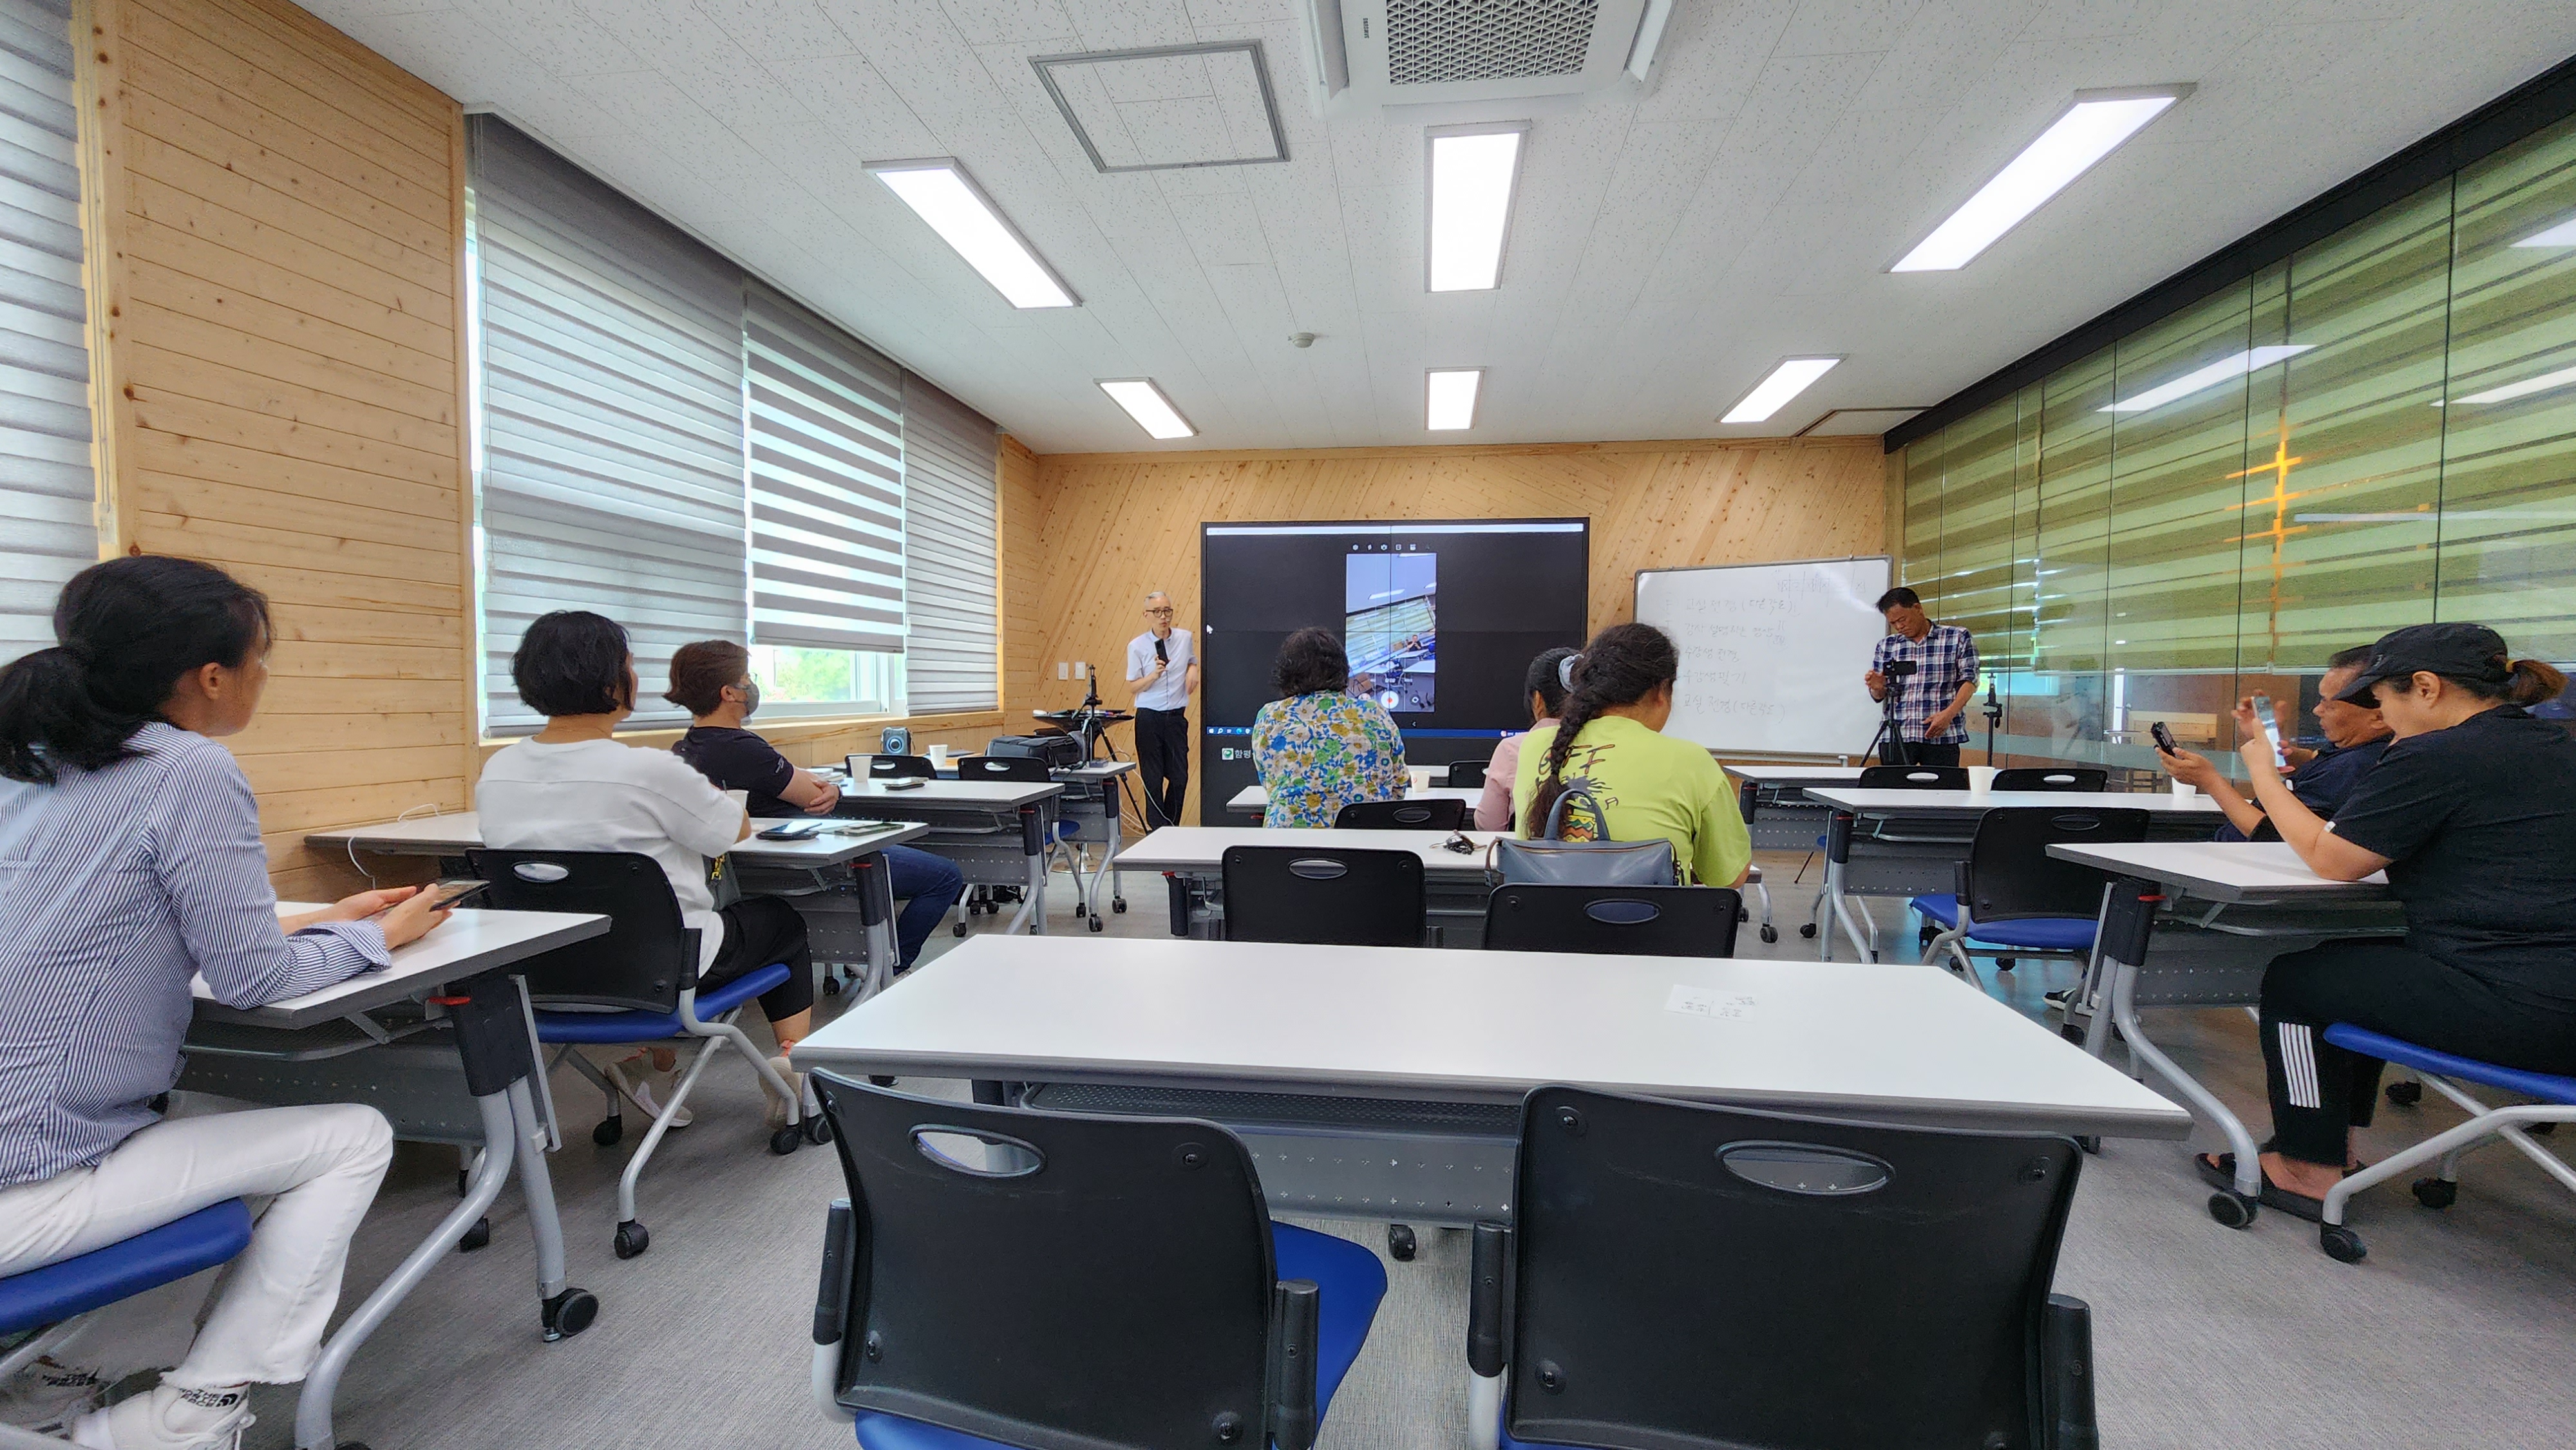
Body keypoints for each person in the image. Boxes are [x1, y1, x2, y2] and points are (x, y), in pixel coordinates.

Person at [0, 557, 450, 1449]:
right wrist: (376, 939)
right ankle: (197, 1412)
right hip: (23, 1185)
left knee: (203, 1116)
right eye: (260, 658)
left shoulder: (29, 759)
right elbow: (254, 982)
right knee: (351, 1137)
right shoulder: (189, 767)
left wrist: (316, 919)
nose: (264, 677)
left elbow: (83, 918)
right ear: (213, 677)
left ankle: (49, 1382)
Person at [2190, 623, 2576, 1218]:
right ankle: (2332, 1144)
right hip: (2555, 993)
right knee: (2362, 965)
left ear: (2425, 687)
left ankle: (2305, 1165)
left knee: (2298, 981)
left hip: (2526, 1008)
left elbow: (2334, 860)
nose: (2383, 716)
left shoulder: (2440, 753)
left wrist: (2262, 772)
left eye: (2383, 700)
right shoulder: (2556, 745)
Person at [477, 612, 815, 1128]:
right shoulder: (648, 770)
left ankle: (652, 1064)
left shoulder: (497, 771)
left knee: (634, 926)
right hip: (662, 972)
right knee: (780, 922)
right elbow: (732, 831)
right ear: (614, 682)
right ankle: (797, 1066)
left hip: (545, 975)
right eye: (631, 666)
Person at [664, 640, 964, 970]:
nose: (752, 686)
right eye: (747, 679)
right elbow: (811, 797)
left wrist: (810, 781)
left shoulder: (686, 747)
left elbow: (792, 777)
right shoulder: (742, 747)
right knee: (945, 877)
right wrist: (831, 789)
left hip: (751, 872)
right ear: (729, 693)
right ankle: (893, 964)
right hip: (815, 862)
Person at [1513, 624, 1753, 889]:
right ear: (1661, 691)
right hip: (1653, 926)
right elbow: (1731, 878)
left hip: (1548, 926)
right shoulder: (1693, 761)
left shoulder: (1536, 746)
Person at [2157, 645, 2393, 842]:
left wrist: (2210, 781)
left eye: (2329, 705)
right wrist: (2270, 740)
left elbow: (2273, 836)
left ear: (2379, 716)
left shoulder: (2359, 764)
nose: (2317, 710)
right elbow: (2318, 762)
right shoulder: (2350, 750)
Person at [1249, 628, 1406, 829]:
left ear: (1286, 674)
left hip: (1287, 849)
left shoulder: (1270, 716)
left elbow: (1271, 784)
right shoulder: (1374, 713)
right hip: (1368, 848)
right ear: (1342, 670)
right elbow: (1398, 786)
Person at [1863, 587, 1979, 767]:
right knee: (1893, 793)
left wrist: (1949, 714)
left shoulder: (1956, 637)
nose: (1900, 627)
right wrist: (1878, 688)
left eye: (1902, 619)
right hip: (1897, 735)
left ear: (1918, 608)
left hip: (1941, 734)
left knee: (1942, 792)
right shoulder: (1887, 646)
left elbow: (1970, 680)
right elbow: (1879, 696)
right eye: (1894, 623)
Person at [1476, 646, 1576, 831]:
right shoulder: (1611, 747)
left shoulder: (1512, 749)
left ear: (1537, 700)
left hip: (1527, 860)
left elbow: (1489, 825)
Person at [1126, 591, 1198, 828]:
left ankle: (1170, 827)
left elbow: (1191, 659)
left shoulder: (1184, 638)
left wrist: (1192, 670)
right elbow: (1133, 686)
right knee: (1153, 779)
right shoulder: (1137, 646)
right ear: (1146, 615)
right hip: (1149, 718)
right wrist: (1154, 675)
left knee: (1179, 778)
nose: (1163, 617)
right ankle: (1158, 832)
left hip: (1176, 718)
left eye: (1167, 611)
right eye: (1157, 612)